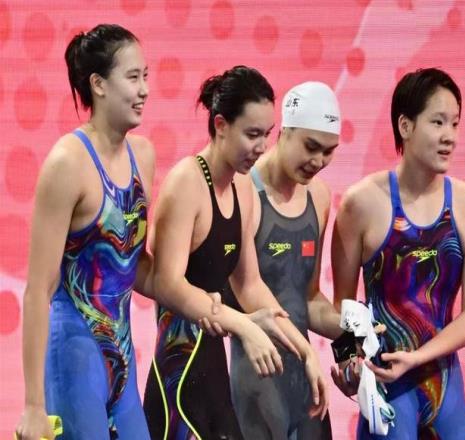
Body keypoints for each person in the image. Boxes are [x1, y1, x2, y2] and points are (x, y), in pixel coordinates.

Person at [143, 66, 328, 440]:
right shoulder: (186, 183)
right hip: (178, 376)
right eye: (252, 134)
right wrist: (244, 325)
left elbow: (249, 285)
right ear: (221, 125)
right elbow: (168, 284)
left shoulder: (243, 188)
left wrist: (306, 352)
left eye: (267, 135)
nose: (261, 147)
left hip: (214, 374)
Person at [331, 68, 465, 439]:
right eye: (438, 122)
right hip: (387, 388)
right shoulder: (360, 204)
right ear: (405, 126)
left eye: (455, 123)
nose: (450, 136)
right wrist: (349, 368)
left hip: (444, 388)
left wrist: (417, 358)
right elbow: (342, 311)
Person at [15, 24, 155, 440]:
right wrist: (33, 406)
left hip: (123, 360)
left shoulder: (143, 156)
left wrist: (211, 307)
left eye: (146, 76)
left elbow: (134, 266)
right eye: (133, 77)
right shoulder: (67, 164)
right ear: (98, 84)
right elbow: (38, 290)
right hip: (73, 360)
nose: (145, 89)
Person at [224, 81, 343, 439]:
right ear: (284, 131)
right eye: (311, 146)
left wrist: (356, 339)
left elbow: (309, 300)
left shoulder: (319, 198)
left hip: (306, 387)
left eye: (329, 151)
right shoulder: (243, 191)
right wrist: (306, 352)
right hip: (255, 382)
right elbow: (243, 292)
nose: (318, 161)